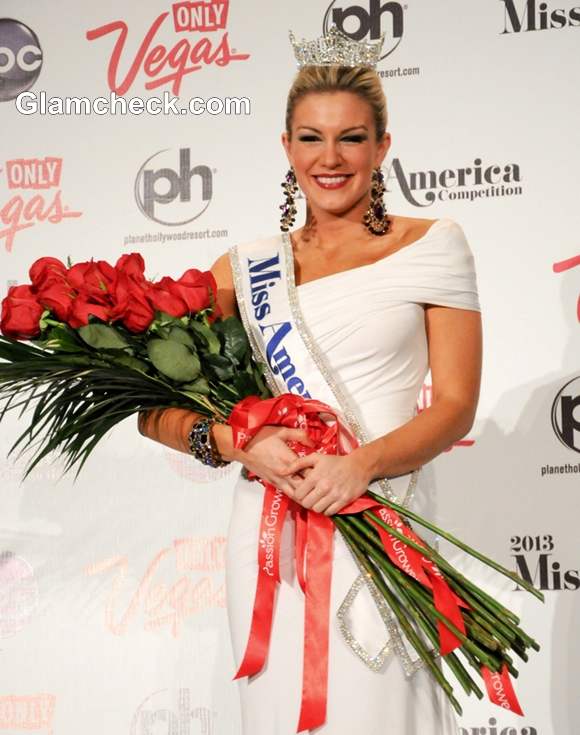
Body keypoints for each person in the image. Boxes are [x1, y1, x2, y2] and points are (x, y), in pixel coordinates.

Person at [139, 26, 482, 735]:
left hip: (381, 513)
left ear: (382, 147)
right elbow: (152, 407)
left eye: (352, 138)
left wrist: (360, 465)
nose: (331, 159)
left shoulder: (435, 244)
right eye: (311, 138)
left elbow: (454, 406)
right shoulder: (244, 268)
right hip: (271, 533)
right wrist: (242, 445)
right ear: (286, 147)